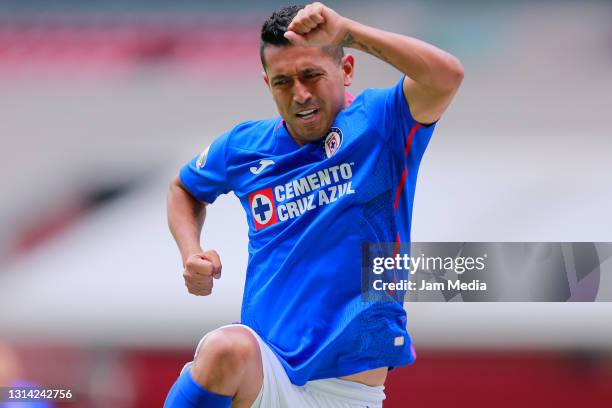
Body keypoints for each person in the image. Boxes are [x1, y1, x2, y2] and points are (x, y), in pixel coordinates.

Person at [164, 3, 462, 407]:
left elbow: (446, 75)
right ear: (266, 83)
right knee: (225, 350)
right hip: (267, 376)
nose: (300, 94)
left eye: (311, 75)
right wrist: (191, 252)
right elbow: (184, 188)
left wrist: (347, 31)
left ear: (347, 69)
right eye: (283, 81)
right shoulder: (243, 147)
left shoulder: (380, 123)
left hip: (348, 392)